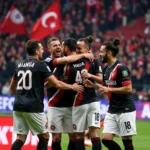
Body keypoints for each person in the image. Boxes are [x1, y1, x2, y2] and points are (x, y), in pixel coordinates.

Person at [9, 40, 84, 150]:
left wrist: (22, 97)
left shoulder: (20, 65)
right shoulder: (40, 64)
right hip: (33, 106)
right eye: (41, 49)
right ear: (36, 51)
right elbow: (56, 83)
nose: (42, 51)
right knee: (45, 137)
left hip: (18, 106)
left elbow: (12, 87)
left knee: (20, 138)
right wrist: (72, 86)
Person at [84, 39, 137, 150]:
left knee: (126, 140)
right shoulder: (106, 69)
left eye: (101, 52)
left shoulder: (121, 68)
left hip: (125, 109)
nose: (99, 54)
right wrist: (92, 85)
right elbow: (105, 86)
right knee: (106, 139)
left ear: (109, 53)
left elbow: (128, 88)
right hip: (112, 110)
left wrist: (110, 90)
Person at [44, 37, 94, 150]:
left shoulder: (68, 60)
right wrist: (83, 55)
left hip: (71, 104)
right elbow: (51, 83)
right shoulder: (48, 61)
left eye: (59, 45)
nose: (58, 47)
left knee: (74, 137)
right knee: (56, 138)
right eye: (54, 45)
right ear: (49, 48)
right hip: (55, 104)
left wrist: (86, 54)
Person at [72, 36, 102, 150]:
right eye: (76, 48)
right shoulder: (93, 60)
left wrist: (90, 76)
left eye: (79, 48)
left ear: (87, 49)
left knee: (80, 135)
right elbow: (100, 79)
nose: (77, 50)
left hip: (82, 102)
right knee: (94, 133)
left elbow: (101, 79)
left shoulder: (72, 60)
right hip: (90, 102)